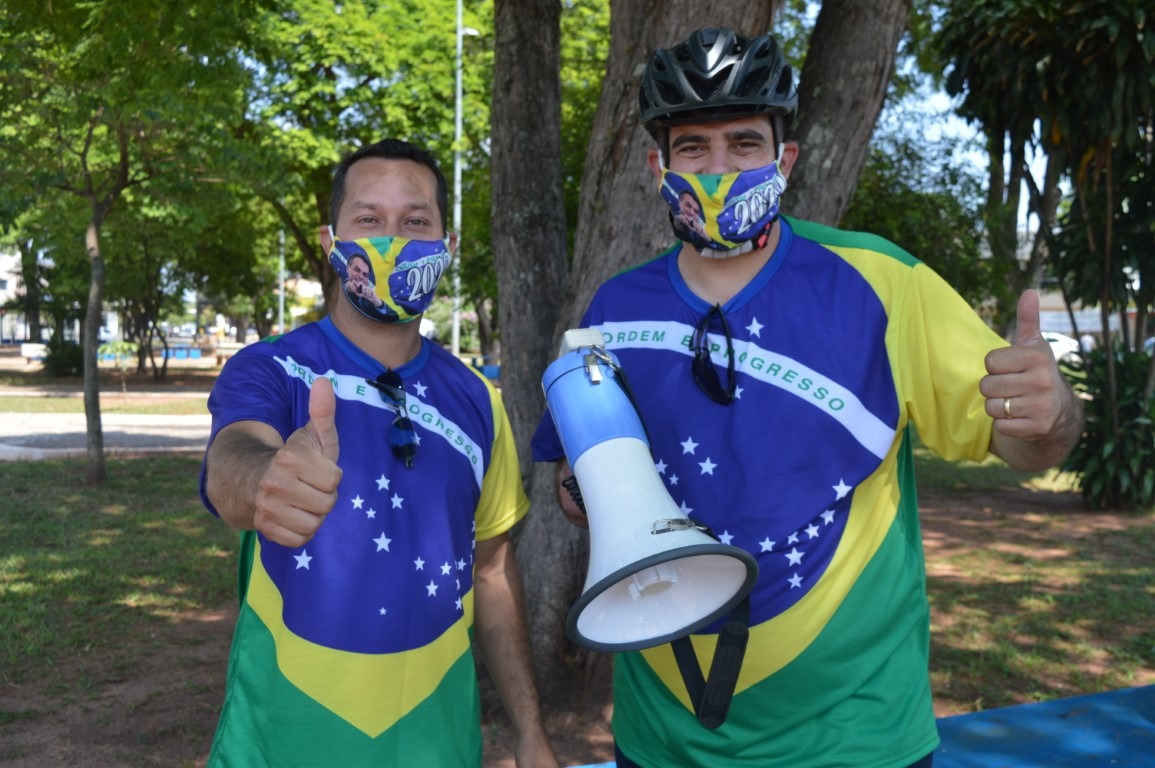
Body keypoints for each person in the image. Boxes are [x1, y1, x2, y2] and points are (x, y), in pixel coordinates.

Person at [532, 27, 1083, 768]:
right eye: (692, 147)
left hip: (853, 736)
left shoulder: (883, 282)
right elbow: (579, 486)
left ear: (783, 159)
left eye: (744, 144)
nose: (718, 168)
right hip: (660, 733)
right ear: (656, 165)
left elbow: (1023, 447)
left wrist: (1048, 415)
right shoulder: (613, 307)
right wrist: (582, 490)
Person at [201, 138, 558, 768]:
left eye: (415, 221)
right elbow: (233, 459)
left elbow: (494, 571)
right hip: (282, 746)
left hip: (438, 748)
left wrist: (530, 732)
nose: (391, 238)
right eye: (368, 220)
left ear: (448, 245)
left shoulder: (480, 399)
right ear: (330, 240)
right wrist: (264, 482)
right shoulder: (272, 368)